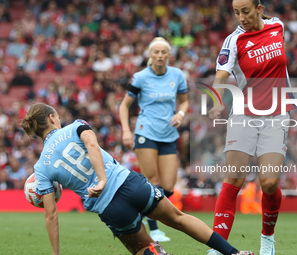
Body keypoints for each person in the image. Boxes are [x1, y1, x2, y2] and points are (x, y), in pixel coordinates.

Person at [20, 102, 255, 255]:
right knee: (179, 219)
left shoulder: (41, 167)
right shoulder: (76, 126)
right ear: (52, 118)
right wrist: (102, 179)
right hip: (129, 184)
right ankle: (234, 254)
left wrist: (56, 253)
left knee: (143, 248)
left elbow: (51, 215)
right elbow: (92, 143)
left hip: (109, 208)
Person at [207, 0, 295, 255]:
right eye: (236, 12)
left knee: (268, 183)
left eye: (245, 11)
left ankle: (267, 238)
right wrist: (215, 102)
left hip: (277, 114)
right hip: (244, 114)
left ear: (259, 8)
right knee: (233, 180)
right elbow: (221, 75)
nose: (240, 17)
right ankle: (216, 249)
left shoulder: (277, 26)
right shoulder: (233, 41)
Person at [119, 37, 188, 242]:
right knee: (153, 181)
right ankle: (155, 229)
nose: (159, 55)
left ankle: (139, 214)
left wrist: (181, 115)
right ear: (150, 54)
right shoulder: (140, 77)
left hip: (168, 135)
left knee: (168, 186)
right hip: (145, 132)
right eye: (156, 52)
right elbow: (124, 106)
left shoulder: (177, 75)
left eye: (163, 52)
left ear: (169, 55)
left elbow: (184, 102)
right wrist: (126, 131)